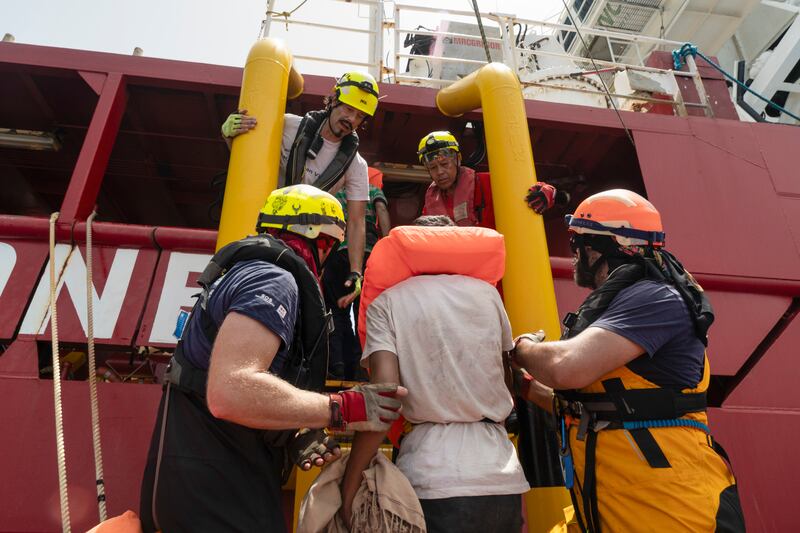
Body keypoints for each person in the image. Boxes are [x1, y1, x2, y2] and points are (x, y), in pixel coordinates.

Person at [139, 185, 406, 533]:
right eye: (330, 245)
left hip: (198, 475)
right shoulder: (273, 280)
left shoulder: (242, 274)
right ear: (316, 237)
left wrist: (291, 433)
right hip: (216, 486)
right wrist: (342, 407)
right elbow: (231, 391)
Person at [513, 189, 745, 532]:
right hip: (609, 509)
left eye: (578, 242)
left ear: (607, 246)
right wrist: (523, 386)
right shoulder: (622, 306)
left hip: (670, 513)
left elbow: (567, 368)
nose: (573, 253)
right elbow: (599, 407)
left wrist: (521, 348)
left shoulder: (657, 300)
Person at [341, 216, 530, 533]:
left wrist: (350, 483)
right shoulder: (488, 296)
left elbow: (385, 398)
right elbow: (507, 381)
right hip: (502, 477)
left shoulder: (387, 304)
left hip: (432, 478)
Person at [222, 72, 381, 308]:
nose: (351, 119)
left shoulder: (355, 165)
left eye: (359, 116)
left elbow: (357, 222)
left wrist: (356, 272)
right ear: (334, 100)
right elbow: (247, 159)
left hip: (302, 246)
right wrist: (228, 135)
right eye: (348, 109)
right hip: (257, 227)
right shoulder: (286, 125)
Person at [323, 168, 391, 380]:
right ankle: (364, 371)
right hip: (369, 256)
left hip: (338, 255)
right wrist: (388, 242)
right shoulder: (371, 190)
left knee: (336, 313)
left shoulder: (332, 193)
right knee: (367, 316)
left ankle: (338, 366)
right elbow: (381, 211)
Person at [418, 131, 565, 226]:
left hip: (493, 264)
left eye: (444, 164)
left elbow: (537, 188)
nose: (440, 172)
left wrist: (546, 192)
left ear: (458, 159)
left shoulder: (488, 183)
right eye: (433, 168)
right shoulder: (430, 205)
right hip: (454, 268)